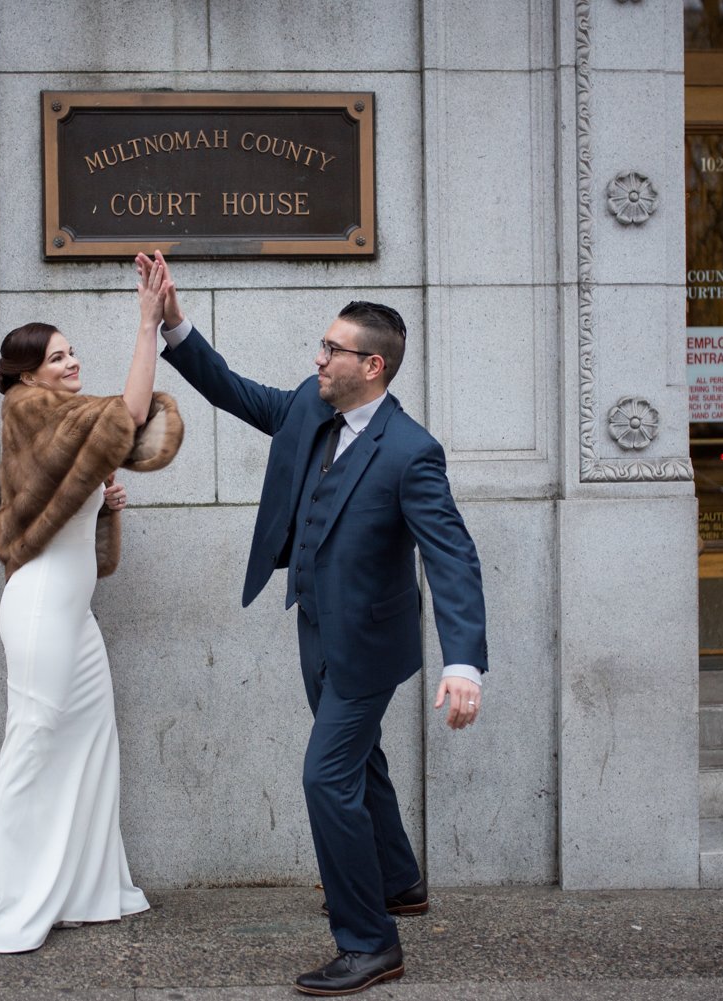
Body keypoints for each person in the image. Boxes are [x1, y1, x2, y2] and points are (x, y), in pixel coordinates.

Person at [141, 252, 488, 996]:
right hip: (316, 626)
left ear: (372, 364)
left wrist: (464, 662)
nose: (317, 357)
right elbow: (235, 392)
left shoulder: (411, 452)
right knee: (360, 763)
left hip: (370, 643)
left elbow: (453, 556)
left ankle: (371, 942)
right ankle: (398, 882)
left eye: (331, 349)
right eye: (320, 346)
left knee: (326, 777)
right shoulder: (309, 404)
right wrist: (174, 324)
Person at [0, 258, 183, 954]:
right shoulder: (29, 407)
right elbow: (128, 415)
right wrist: (148, 323)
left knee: (90, 742)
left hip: (72, 610)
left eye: (71, 351)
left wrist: (103, 506)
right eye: (56, 357)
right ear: (27, 373)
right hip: (38, 607)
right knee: (32, 739)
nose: (70, 362)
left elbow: (88, 472)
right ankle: (5, 907)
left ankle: (86, 891)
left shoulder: (58, 418)